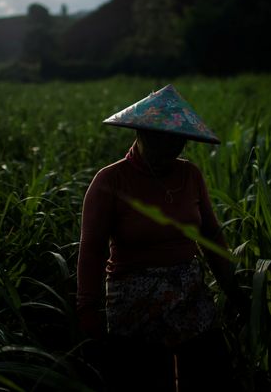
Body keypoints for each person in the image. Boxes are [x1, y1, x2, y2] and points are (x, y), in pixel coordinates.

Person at [76, 84, 246, 392]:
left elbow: (211, 236)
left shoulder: (190, 175)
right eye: (159, 142)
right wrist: (88, 310)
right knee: (148, 379)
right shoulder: (110, 180)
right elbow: (92, 251)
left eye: (176, 144)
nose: (168, 152)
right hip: (134, 302)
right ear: (140, 134)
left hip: (190, 295)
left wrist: (233, 289)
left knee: (210, 374)